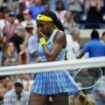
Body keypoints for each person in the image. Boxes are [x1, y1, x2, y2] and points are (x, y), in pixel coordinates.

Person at [29, 10, 80, 105]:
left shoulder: (60, 35)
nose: (39, 28)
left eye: (42, 25)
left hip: (57, 76)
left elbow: (50, 58)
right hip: (42, 75)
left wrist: (42, 41)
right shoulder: (44, 36)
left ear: (50, 23)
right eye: (38, 26)